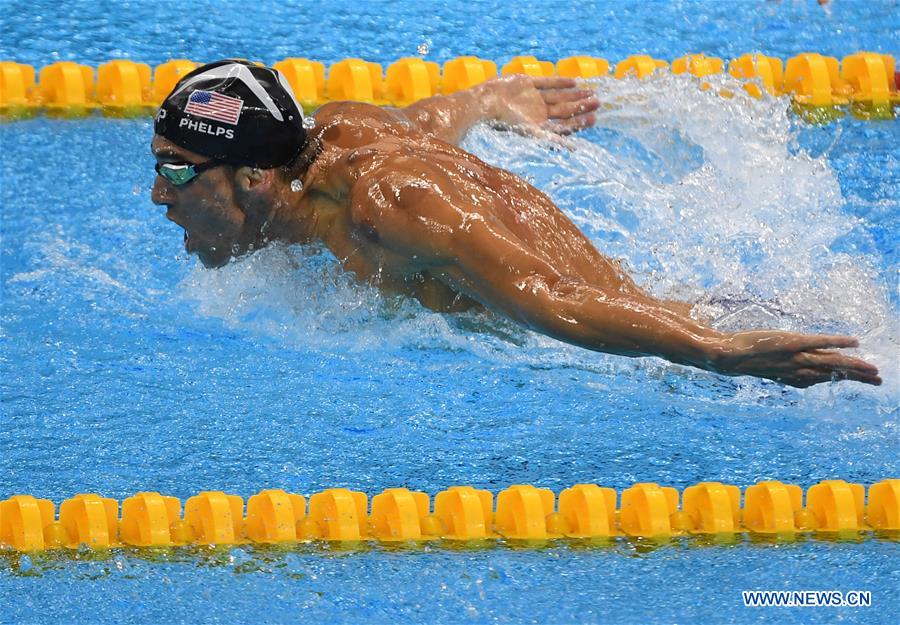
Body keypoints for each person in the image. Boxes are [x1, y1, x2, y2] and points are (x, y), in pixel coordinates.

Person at [151, 60, 881, 388]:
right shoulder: (331, 133)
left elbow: (549, 294)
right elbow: (425, 118)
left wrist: (718, 351)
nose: (159, 194)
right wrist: (492, 97)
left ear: (255, 177)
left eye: (178, 169)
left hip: (662, 345)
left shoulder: (388, 208)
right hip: (679, 321)